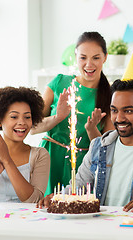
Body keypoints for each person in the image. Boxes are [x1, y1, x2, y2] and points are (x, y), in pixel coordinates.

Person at [38, 54, 133, 212]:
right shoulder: (98, 146)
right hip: (102, 230)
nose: (119, 118)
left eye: (128, 111)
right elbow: (79, 185)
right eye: (114, 111)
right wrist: (59, 197)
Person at [31, 32, 114, 196]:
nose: (89, 64)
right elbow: (32, 128)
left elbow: (107, 148)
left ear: (105, 57)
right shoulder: (59, 82)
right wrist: (58, 117)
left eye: (96, 58)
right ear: (75, 57)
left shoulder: (111, 95)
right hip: (49, 159)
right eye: (83, 57)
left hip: (83, 167)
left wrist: (92, 129)